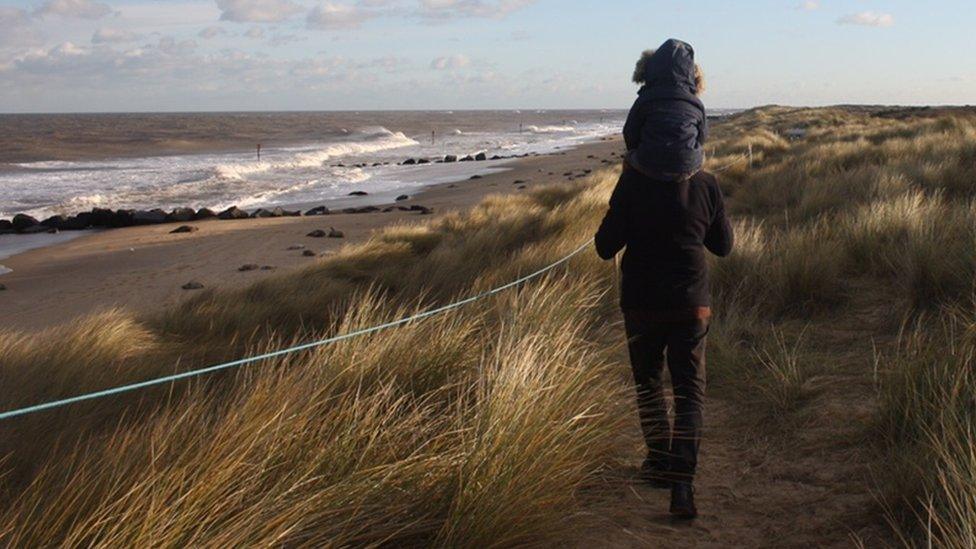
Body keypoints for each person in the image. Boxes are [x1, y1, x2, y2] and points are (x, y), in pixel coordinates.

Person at [594, 40, 733, 520]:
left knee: (650, 383)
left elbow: (604, 246)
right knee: (690, 389)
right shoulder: (708, 184)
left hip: (641, 302)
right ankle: (681, 487)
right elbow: (724, 246)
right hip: (692, 302)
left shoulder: (632, 180)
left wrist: (628, 204)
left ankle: (658, 462)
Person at [623, 39, 707, 182]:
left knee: (628, 160)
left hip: (649, 164)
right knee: (700, 157)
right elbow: (702, 136)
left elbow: (629, 133)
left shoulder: (645, 99)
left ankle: (626, 195)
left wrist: (641, 151)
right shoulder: (696, 103)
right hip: (687, 165)